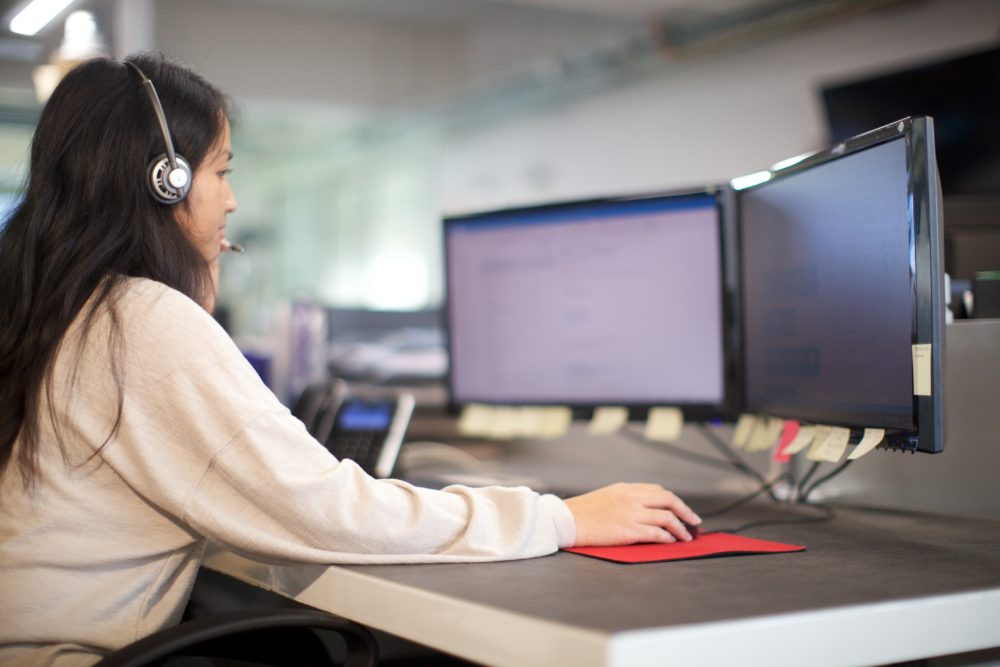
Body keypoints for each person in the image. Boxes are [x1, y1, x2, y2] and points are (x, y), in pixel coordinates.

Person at [0, 53, 701, 665]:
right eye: (221, 170)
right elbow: (326, 511)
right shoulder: (138, 320)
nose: (233, 198)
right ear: (167, 181)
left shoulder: (62, 307)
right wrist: (560, 518)